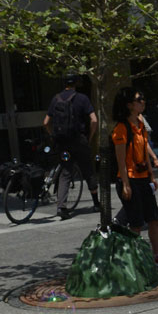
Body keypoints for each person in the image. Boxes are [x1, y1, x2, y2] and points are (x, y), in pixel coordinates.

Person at [110, 86, 158, 267]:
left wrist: (152, 176)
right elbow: (120, 160)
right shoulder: (121, 129)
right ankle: (134, 262)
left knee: (154, 219)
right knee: (136, 224)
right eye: (140, 99)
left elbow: (144, 154)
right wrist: (125, 184)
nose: (143, 102)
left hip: (143, 178)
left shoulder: (140, 125)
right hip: (129, 179)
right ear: (130, 105)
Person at [43, 73, 101, 220]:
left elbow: (45, 122)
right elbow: (94, 120)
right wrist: (90, 137)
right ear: (76, 83)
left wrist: (53, 135)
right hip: (79, 140)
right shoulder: (82, 98)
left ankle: (61, 207)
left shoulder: (55, 99)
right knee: (88, 169)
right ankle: (96, 203)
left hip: (63, 143)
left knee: (65, 173)